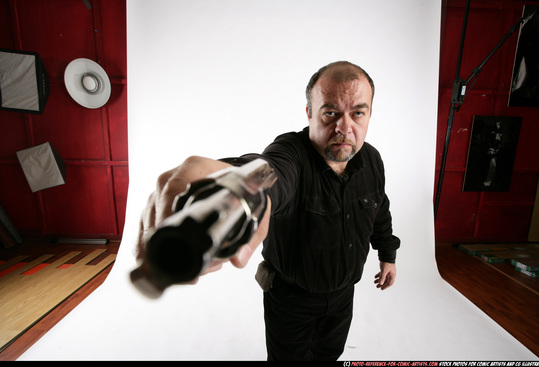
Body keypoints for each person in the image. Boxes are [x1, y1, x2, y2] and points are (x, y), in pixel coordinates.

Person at [136, 61, 400, 361]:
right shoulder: (292, 156)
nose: (344, 127)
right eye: (330, 113)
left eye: (357, 113)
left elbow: (380, 210)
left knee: (329, 355)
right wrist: (232, 182)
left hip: (343, 297)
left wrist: (387, 255)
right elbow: (268, 173)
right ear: (310, 113)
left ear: (368, 115)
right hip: (290, 300)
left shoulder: (372, 160)